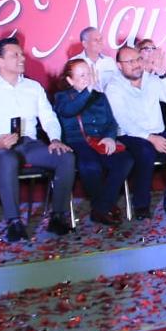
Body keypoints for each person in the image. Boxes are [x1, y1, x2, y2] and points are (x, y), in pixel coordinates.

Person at [0, 37, 76, 241]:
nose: (21, 58)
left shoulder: (33, 87)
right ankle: (14, 222)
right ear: (0, 61)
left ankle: (58, 216)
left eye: (21, 54)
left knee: (65, 156)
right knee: (7, 159)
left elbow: (49, 117)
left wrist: (54, 138)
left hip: (27, 144)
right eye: (15, 55)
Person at [106, 41, 166, 217]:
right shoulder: (114, 86)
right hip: (130, 136)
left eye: (138, 59)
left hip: (157, 133)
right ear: (119, 66)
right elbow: (123, 121)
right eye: (130, 62)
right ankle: (141, 205)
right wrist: (150, 137)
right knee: (145, 151)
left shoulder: (153, 79)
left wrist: (163, 73)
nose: (136, 65)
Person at [54, 59, 133, 226]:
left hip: (100, 141)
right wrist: (87, 91)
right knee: (90, 166)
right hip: (78, 143)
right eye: (82, 75)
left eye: (88, 74)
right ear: (70, 80)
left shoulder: (100, 97)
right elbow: (69, 110)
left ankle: (101, 208)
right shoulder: (62, 98)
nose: (87, 78)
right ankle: (104, 207)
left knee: (124, 160)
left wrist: (110, 137)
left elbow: (111, 122)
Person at [70, 26, 119, 91]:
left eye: (101, 39)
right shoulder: (74, 63)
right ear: (85, 44)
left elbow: (118, 83)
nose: (100, 42)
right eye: (95, 40)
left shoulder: (109, 61)